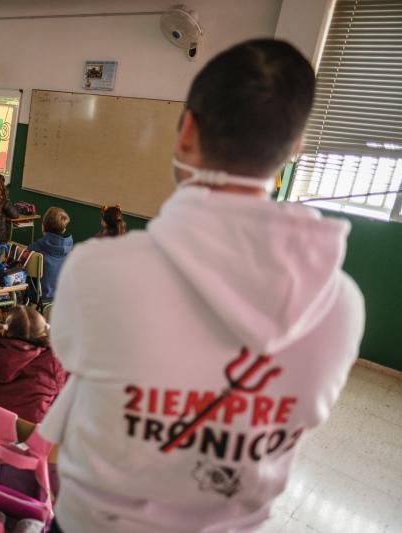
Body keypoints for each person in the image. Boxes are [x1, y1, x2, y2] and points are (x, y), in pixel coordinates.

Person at [39, 39, 365, 533]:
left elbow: (72, 365)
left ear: (186, 131)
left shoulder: (97, 270)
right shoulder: (342, 305)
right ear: (294, 148)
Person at [0, 306, 67, 423]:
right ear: (43, 332)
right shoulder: (53, 360)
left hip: (0, 432)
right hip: (37, 435)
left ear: (5, 331)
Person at [27, 207, 73, 302]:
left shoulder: (34, 249)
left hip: (39, 297)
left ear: (43, 226)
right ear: (64, 229)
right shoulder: (71, 252)